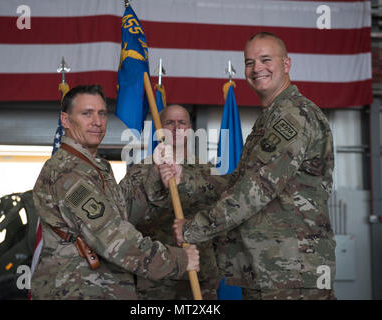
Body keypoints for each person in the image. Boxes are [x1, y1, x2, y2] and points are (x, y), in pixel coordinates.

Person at [172, 32, 337, 300]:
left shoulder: (293, 115)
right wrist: (184, 178)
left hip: (292, 271)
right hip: (269, 269)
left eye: (265, 59)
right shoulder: (269, 119)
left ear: (286, 64)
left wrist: (194, 228)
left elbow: (255, 189)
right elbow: (237, 182)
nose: (256, 68)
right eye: (249, 62)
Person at [30, 85, 199, 300]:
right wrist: (179, 261)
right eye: (86, 113)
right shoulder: (68, 172)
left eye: (101, 113)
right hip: (77, 290)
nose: (97, 121)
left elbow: (122, 215)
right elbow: (114, 239)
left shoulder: (94, 166)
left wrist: (157, 178)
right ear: (65, 120)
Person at [119, 104, 231, 299]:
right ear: (159, 129)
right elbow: (122, 213)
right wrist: (154, 176)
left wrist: (220, 267)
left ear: (190, 130)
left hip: (198, 273)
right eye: (169, 123)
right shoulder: (139, 170)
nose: (176, 128)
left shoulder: (208, 171)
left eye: (182, 123)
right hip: (153, 272)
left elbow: (225, 216)